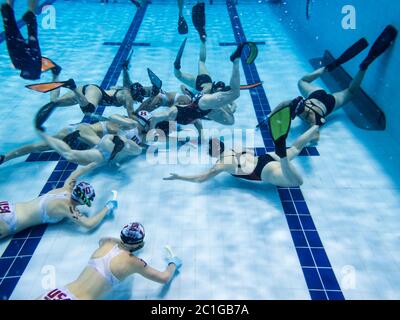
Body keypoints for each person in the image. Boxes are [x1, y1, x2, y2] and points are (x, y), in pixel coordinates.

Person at [164, 102, 320, 188]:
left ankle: (283, 155)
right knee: (295, 148)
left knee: (297, 182)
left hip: (264, 171)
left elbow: (200, 179)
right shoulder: (235, 148)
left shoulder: (221, 164)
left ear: (213, 154)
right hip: (265, 158)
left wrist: (179, 177)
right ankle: (316, 126)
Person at [284, 25, 397, 135]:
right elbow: (286, 105)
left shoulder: (312, 122)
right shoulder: (299, 107)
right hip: (315, 96)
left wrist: (313, 132)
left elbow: (315, 138)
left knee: (351, 91)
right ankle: (327, 68)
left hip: (328, 104)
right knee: (302, 81)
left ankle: (363, 68)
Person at [37, 222, 182, 300]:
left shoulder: (106, 243)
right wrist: (173, 263)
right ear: (139, 243)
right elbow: (164, 278)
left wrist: (121, 243)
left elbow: (101, 240)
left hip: (57, 294)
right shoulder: (133, 262)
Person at [149, 42, 257, 132]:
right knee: (231, 111)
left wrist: (151, 132)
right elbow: (198, 123)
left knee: (234, 95)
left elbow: (154, 118)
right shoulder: (175, 114)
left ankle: (236, 61)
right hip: (203, 99)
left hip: (203, 104)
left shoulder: (172, 114)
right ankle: (202, 38)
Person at [0, 162, 117, 239]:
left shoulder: (66, 188)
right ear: (83, 201)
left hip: (7, 207)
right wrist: (108, 207)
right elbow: (88, 224)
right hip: (11, 221)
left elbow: (74, 174)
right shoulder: (67, 207)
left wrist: (93, 164)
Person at [0, 113, 149, 165]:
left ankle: (5, 157)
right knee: (101, 146)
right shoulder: (124, 122)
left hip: (76, 135)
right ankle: (5, 157)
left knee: (41, 146)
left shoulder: (139, 138)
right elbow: (112, 117)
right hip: (82, 131)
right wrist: (130, 122)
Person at [1, 0, 62, 81]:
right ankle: (28, 16)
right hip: (27, 64)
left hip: (28, 64)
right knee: (11, 28)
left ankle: (29, 16)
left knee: (12, 27)